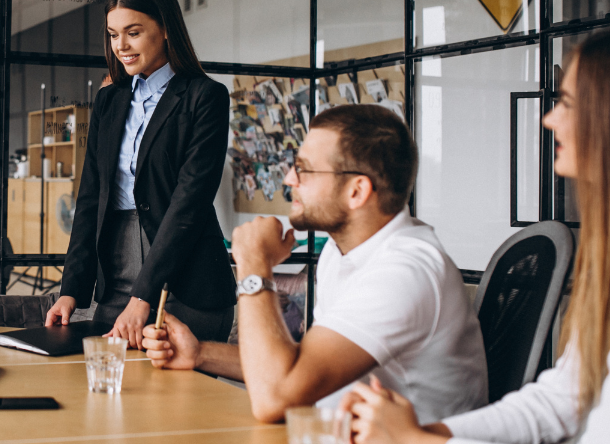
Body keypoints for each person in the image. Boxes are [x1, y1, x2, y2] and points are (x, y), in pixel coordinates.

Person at [342, 28, 610, 444]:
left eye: (568, 103)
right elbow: (558, 403)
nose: (548, 118)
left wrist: (416, 440)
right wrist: (423, 433)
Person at [142, 104, 488, 424]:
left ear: (356, 191)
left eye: (304, 170)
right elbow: (299, 368)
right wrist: (200, 354)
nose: (289, 180)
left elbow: (274, 398)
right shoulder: (342, 253)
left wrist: (254, 265)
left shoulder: (404, 272)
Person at [45, 0, 236, 347]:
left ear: (165, 29)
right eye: (113, 35)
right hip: (117, 273)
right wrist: (71, 289)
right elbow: (90, 197)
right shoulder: (109, 100)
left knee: (177, 402)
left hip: (188, 280)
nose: (121, 46)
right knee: (107, 393)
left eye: (133, 32)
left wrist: (144, 295)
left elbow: (189, 203)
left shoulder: (205, 97)